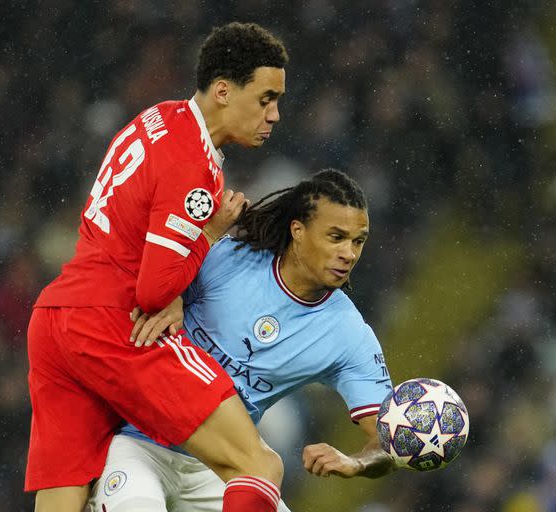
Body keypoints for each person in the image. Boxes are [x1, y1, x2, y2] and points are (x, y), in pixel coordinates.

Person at [25, 22, 289, 512]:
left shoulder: (159, 117)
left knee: (64, 494)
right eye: (266, 98)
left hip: (56, 316)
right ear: (224, 91)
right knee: (259, 465)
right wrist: (209, 236)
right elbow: (153, 291)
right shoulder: (192, 163)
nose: (274, 115)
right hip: (118, 325)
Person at [87, 169, 396, 512]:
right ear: (298, 231)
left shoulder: (349, 334)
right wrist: (169, 292)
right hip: (138, 442)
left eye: (358, 241)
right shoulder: (227, 259)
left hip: (221, 466)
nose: (349, 253)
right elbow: (137, 286)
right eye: (336, 237)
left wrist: (356, 463)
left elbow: (386, 439)